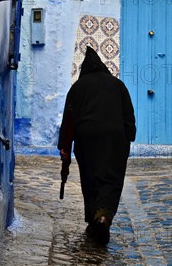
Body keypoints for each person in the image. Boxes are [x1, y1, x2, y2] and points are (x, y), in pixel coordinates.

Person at [58, 46, 136, 244]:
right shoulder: (118, 85)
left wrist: (65, 147)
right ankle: (103, 217)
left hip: (87, 138)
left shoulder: (78, 88)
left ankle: (94, 219)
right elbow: (128, 116)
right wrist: (129, 136)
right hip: (114, 140)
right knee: (111, 178)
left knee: (90, 178)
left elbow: (69, 120)